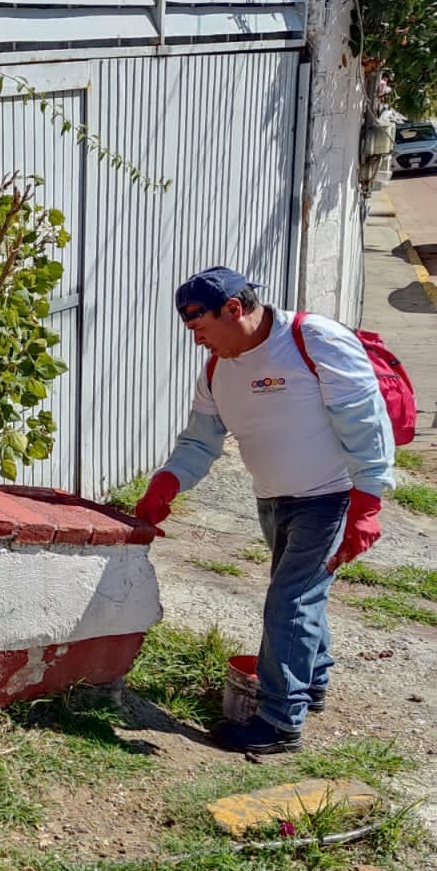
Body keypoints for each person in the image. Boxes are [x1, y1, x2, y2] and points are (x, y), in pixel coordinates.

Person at [135, 267, 395, 755]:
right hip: (274, 498)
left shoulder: (311, 339)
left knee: (289, 601)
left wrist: (368, 501)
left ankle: (279, 721)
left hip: (332, 495)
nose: (198, 342)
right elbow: (199, 441)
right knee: (299, 596)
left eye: (200, 328)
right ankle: (312, 682)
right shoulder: (216, 370)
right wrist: (166, 483)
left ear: (235, 309)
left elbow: (364, 417)